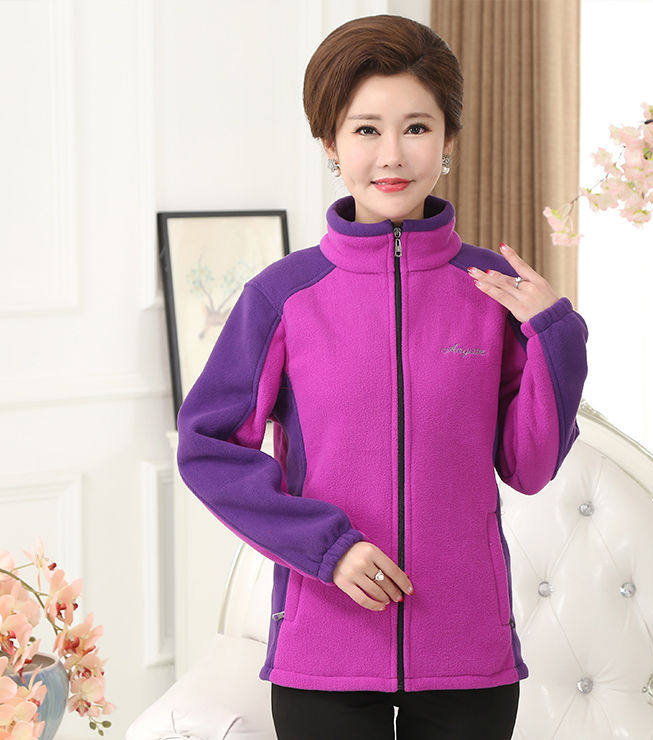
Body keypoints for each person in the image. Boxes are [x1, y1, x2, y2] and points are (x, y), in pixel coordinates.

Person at [176, 13, 589, 740]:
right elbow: (207, 446)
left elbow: (527, 468)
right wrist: (327, 547)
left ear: (448, 140)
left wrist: (557, 336)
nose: (392, 154)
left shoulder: (491, 291)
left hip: (468, 655)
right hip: (325, 652)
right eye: (366, 129)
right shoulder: (283, 296)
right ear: (330, 144)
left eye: (416, 128)